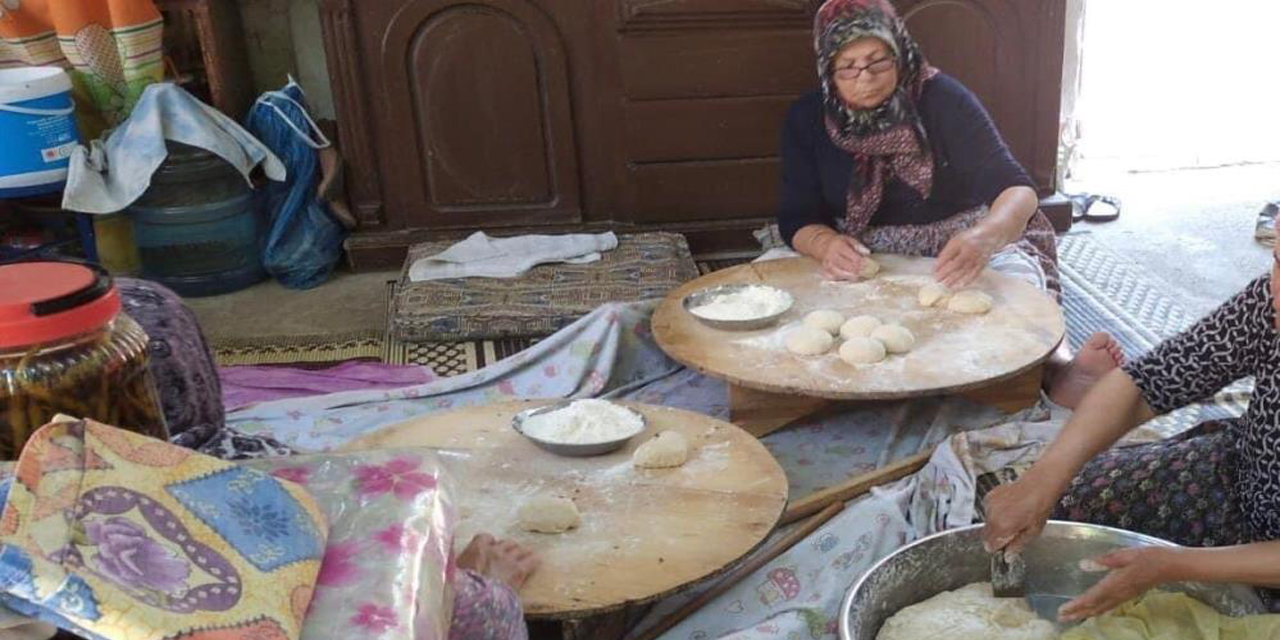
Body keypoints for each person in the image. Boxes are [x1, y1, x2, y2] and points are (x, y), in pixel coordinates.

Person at [778, 0, 1120, 406]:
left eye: (877, 62)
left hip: (958, 244)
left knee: (1020, 295)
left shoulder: (942, 99)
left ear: (900, 51)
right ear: (827, 67)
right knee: (782, 299)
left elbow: (1017, 190)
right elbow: (797, 216)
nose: (864, 79)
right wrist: (824, 245)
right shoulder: (808, 117)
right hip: (862, 250)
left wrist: (987, 237)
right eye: (847, 67)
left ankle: (1059, 369)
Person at [982, 239, 1280, 621]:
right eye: (1277, 260)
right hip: (1237, 479)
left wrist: (1174, 565)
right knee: (1067, 511)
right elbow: (1145, 383)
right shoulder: (1267, 305)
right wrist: (1041, 481)